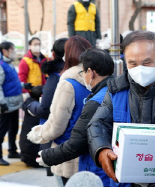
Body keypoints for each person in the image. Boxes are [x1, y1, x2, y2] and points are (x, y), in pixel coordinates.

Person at [86, 31, 155, 187]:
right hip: (125, 181)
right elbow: (98, 124)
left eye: (147, 62)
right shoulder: (116, 91)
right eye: (133, 64)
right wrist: (101, 150)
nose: (140, 69)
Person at [35, 49, 114, 187]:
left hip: (97, 169)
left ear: (91, 72)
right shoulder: (117, 92)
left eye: (83, 72)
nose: (83, 75)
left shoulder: (96, 101)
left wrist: (47, 156)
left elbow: (79, 141)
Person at [27, 35, 91, 185]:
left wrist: (38, 134)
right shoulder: (96, 80)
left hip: (67, 151)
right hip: (91, 151)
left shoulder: (68, 83)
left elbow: (57, 125)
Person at [21, 38, 67, 172]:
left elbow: (45, 110)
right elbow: (22, 77)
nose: (37, 46)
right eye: (34, 44)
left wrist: (29, 104)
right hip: (34, 93)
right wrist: (27, 91)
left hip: (41, 101)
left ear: (54, 54)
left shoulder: (54, 72)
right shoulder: (26, 60)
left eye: (38, 44)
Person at [0, 41, 31, 166]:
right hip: (6, 104)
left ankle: (12, 150)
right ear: (5, 51)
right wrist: (1, 103)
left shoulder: (9, 64)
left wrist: (24, 85)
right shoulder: (1, 65)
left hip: (14, 103)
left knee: (13, 128)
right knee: (2, 131)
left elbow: (12, 83)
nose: (14, 51)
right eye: (12, 49)